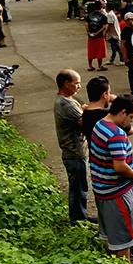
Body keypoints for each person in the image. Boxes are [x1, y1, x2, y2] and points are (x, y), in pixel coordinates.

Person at [90, 94, 133, 258]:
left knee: (114, 233)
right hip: (116, 191)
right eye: (131, 117)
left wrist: (132, 163)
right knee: (123, 238)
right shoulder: (116, 134)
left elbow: (112, 157)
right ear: (122, 112)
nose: (131, 122)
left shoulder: (100, 124)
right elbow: (120, 167)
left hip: (102, 187)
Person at [54, 69, 90, 223]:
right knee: (78, 188)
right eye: (76, 83)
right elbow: (84, 123)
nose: (79, 86)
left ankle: (80, 216)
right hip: (74, 152)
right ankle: (78, 219)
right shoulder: (67, 104)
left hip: (74, 152)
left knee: (79, 186)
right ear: (66, 84)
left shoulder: (66, 100)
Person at [85, 1, 108, 72]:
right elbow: (104, 27)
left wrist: (89, 32)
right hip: (99, 36)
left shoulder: (89, 15)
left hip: (91, 36)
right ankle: (99, 66)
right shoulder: (103, 16)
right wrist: (97, 33)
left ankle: (90, 66)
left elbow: (86, 24)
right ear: (101, 7)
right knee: (100, 51)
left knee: (91, 51)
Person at [120, 12, 133, 96]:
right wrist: (124, 56)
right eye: (131, 19)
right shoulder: (125, 31)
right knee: (132, 72)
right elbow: (123, 44)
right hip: (130, 54)